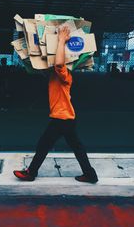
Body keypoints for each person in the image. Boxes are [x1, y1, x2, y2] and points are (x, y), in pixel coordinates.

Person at [13, 26, 98, 184]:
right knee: (77, 148)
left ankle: (31, 172)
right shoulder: (53, 74)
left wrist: (61, 40)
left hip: (62, 118)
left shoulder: (65, 74)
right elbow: (45, 67)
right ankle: (90, 175)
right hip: (67, 118)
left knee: (44, 144)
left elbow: (59, 63)